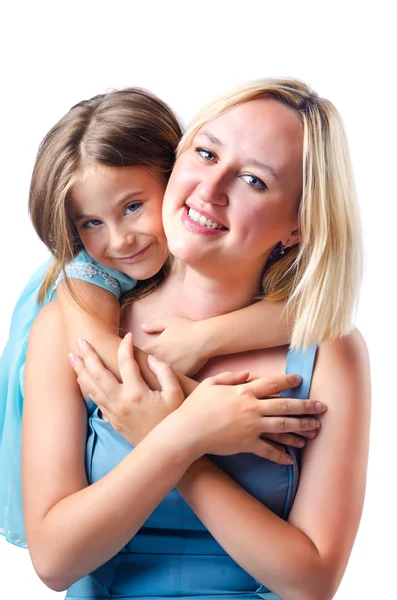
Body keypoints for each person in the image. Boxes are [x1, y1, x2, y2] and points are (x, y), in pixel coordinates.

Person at [22, 77, 370, 600]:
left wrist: (174, 438)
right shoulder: (71, 326)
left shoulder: (329, 352)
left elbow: (312, 582)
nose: (210, 190)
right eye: (206, 154)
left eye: (254, 180)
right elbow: (54, 562)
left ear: (296, 225)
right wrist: (185, 434)